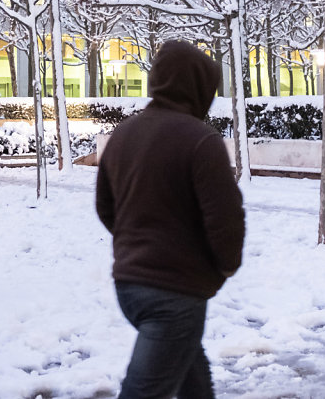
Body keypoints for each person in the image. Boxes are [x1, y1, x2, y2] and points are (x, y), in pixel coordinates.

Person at [96, 40, 246, 399]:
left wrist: (136, 244)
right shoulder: (201, 140)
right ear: (198, 88)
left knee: (192, 378)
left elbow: (106, 206)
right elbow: (226, 219)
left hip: (129, 284)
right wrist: (223, 267)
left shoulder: (124, 133)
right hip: (176, 294)